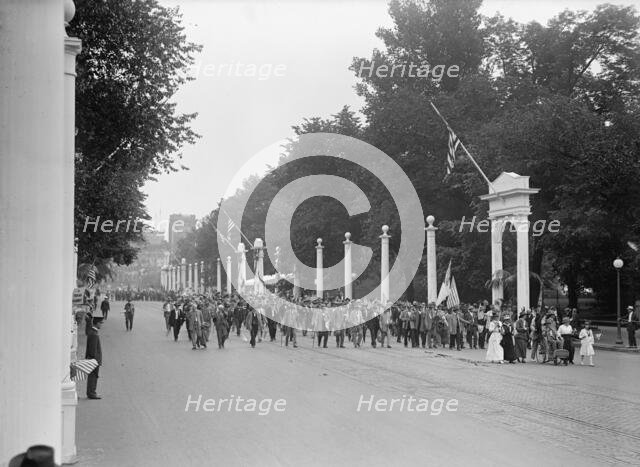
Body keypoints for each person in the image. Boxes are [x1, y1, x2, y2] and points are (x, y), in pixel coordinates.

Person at [85, 316, 103, 399]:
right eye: (100, 323)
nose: (101, 325)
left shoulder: (92, 332)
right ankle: (92, 393)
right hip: (94, 360)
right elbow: (93, 350)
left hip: (92, 359)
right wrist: (95, 360)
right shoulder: (94, 334)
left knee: (92, 376)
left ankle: (91, 392)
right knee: (93, 377)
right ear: (97, 323)